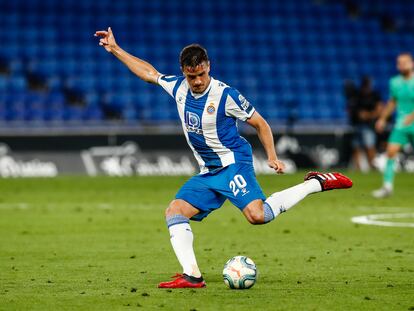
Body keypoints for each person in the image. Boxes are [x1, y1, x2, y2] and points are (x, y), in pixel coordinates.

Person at [95, 27, 353, 288]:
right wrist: (115, 49)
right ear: (184, 72)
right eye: (191, 76)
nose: (197, 81)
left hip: (233, 164)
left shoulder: (226, 95)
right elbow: (150, 73)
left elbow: (260, 124)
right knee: (175, 211)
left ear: (209, 66)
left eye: (201, 74)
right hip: (208, 172)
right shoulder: (178, 88)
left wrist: (272, 156)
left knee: (257, 215)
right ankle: (192, 275)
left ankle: (315, 183)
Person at [373, 52, 414, 198]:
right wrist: (382, 119)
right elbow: (392, 102)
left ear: (411, 63)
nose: (401, 65)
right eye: (399, 63)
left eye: (404, 62)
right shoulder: (394, 82)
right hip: (401, 125)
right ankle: (387, 187)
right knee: (390, 153)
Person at [350, 76, 383, 171]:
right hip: (357, 125)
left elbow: (379, 110)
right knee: (356, 147)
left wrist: (368, 115)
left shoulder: (375, 95)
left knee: (369, 146)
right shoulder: (358, 95)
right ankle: (357, 168)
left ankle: (372, 166)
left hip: (369, 125)